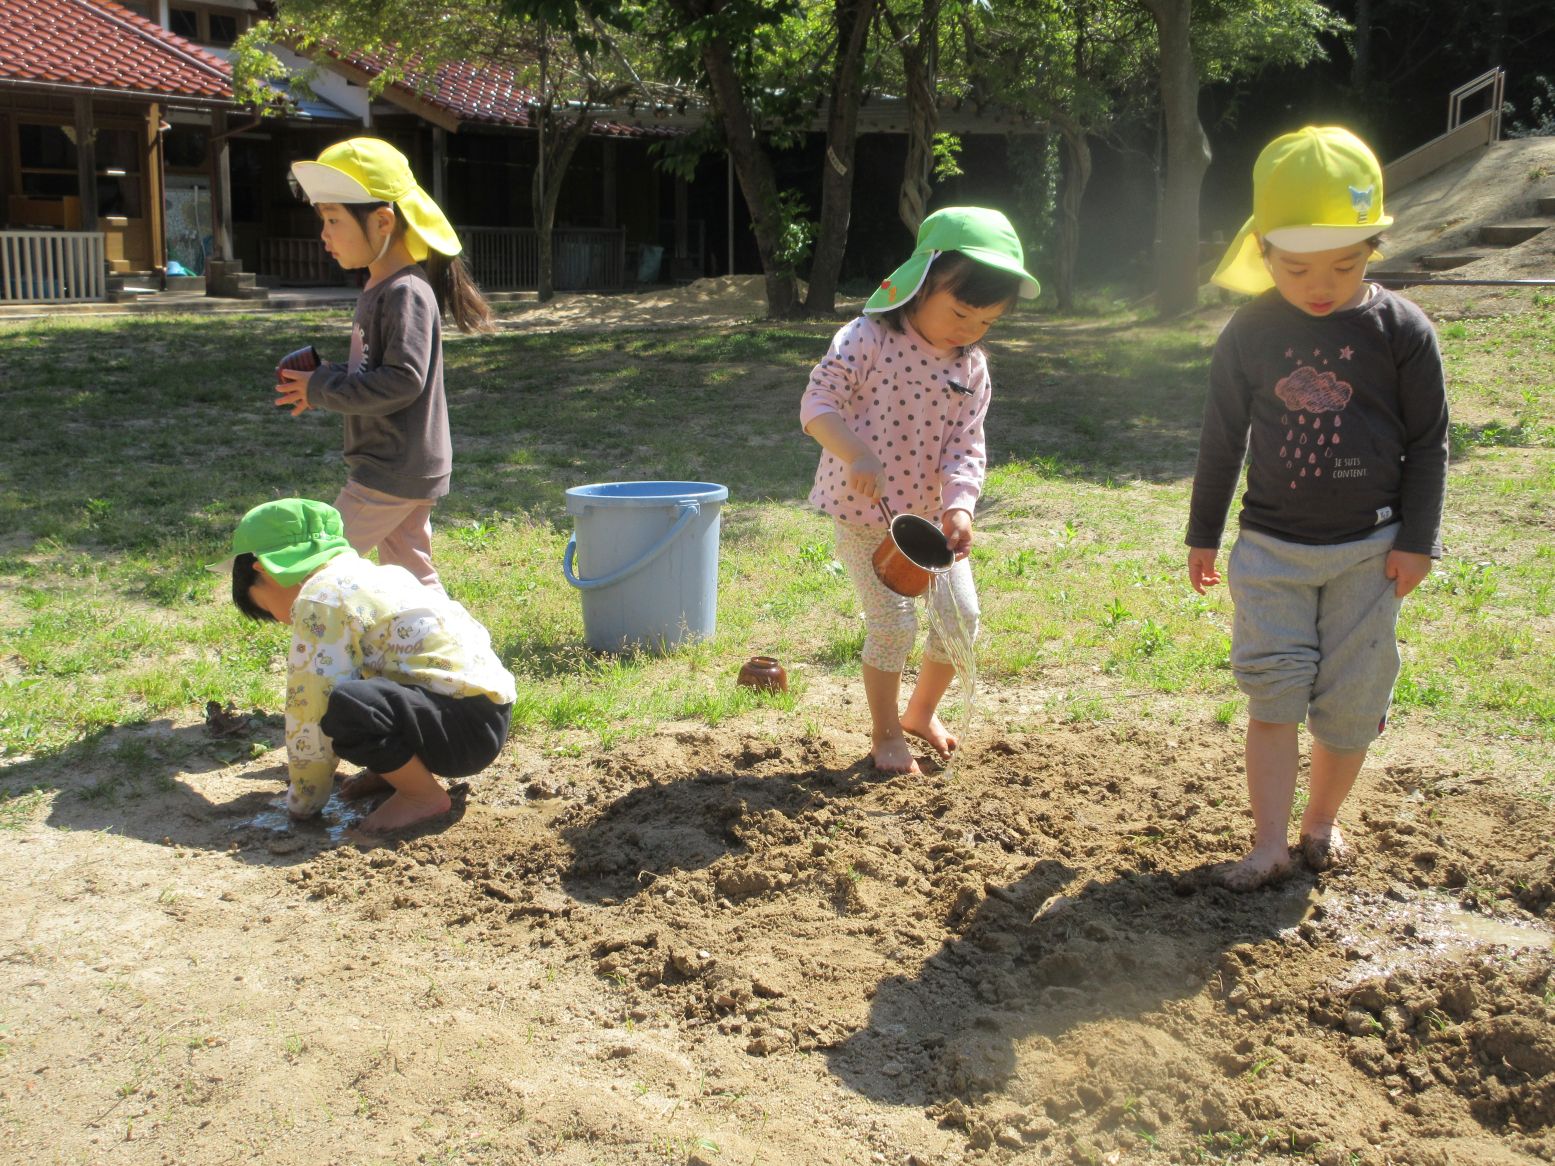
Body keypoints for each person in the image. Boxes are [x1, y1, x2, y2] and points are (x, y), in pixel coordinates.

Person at [1186, 126, 1450, 890]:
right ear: (1262, 251)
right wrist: (1203, 532)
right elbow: (1221, 437)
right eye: (1296, 267)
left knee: (1351, 700)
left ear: (1372, 246)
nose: (1320, 284)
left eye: (1344, 263)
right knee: (1272, 694)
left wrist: (1419, 540)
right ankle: (1267, 843)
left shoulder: (1402, 331)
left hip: (1370, 551)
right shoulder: (1250, 330)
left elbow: (1428, 441)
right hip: (1271, 549)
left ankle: (1320, 823)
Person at [800, 207, 1040, 774]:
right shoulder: (867, 339)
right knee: (894, 624)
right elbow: (817, 404)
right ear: (921, 282)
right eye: (959, 312)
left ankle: (920, 712)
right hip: (865, 514)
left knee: (961, 618)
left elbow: (966, 445)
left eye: (986, 321)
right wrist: (856, 451)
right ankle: (885, 732)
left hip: (930, 521)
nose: (969, 330)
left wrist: (960, 507)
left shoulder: (972, 369)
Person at [212, 498, 516, 835]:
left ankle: (421, 796)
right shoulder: (378, 576)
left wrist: (306, 798)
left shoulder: (320, 597)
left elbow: (309, 708)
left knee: (348, 706)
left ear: (264, 571)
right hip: (484, 715)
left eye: (267, 609)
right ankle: (399, 774)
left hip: (459, 729)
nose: (282, 620)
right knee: (365, 693)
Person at [278, 137, 495, 595]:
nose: (324, 234)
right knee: (413, 577)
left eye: (333, 219)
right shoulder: (382, 288)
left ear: (382, 221)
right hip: (401, 464)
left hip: (391, 469)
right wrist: (327, 376)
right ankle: (443, 639)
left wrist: (323, 388)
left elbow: (402, 381)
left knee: (320, 568)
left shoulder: (405, 292)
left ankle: (318, 637)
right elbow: (377, 369)